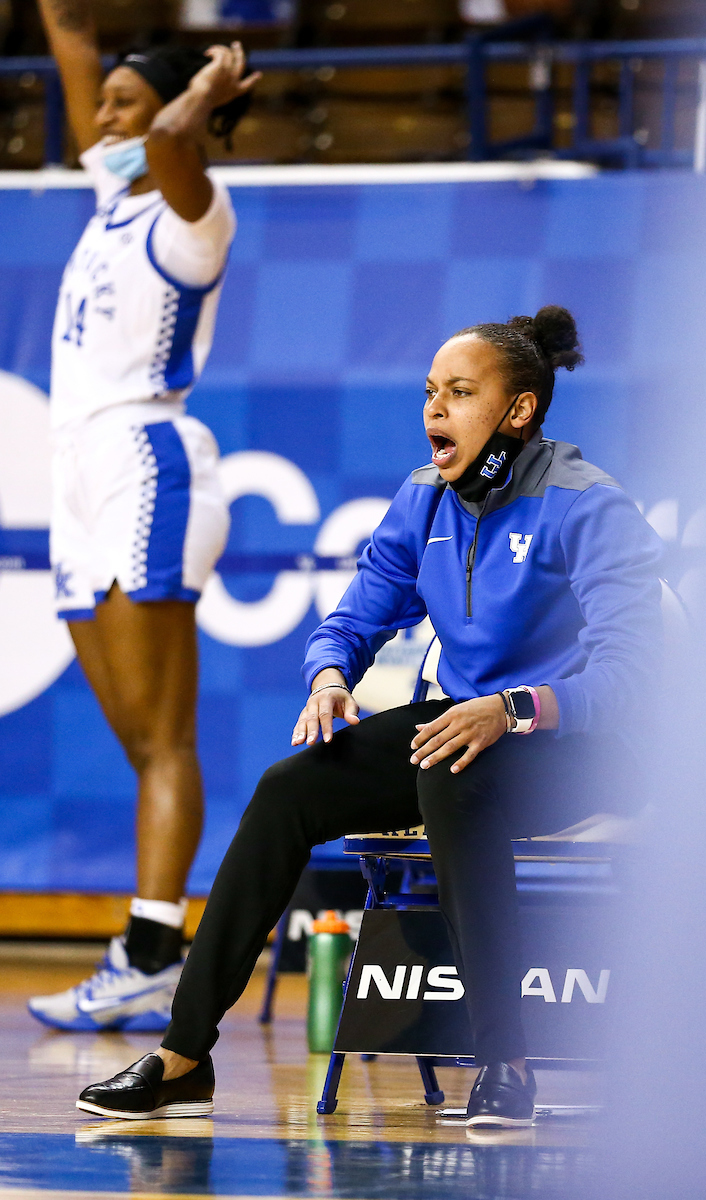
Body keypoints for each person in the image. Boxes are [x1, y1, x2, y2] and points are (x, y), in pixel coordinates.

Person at [76, 307, 663, 1127]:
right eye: (430, 392)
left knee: (450, 777)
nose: (434, 410)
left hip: (580, 745)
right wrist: (327, 680)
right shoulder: (424, 498)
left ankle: (507, 1063)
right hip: (462, 731)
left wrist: (512, 708)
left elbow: (634, 674)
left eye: (459, 392)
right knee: (291, 790)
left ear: (519, 410)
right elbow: (351, 622)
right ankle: (183, 1054)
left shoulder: (587, 505)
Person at [27, 0, 260, 1033]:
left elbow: (167, 138)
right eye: (108, 108)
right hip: (76, 467)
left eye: (130, 106)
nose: (108, 124)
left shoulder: (192, 214)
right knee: (136, 739)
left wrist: (205, 90)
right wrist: (67, 31)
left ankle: (156, 949)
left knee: (164, 739)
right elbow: (79, 59)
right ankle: (151, 947)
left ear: (178, 113)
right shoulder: (112, 198)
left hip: (144, 457)